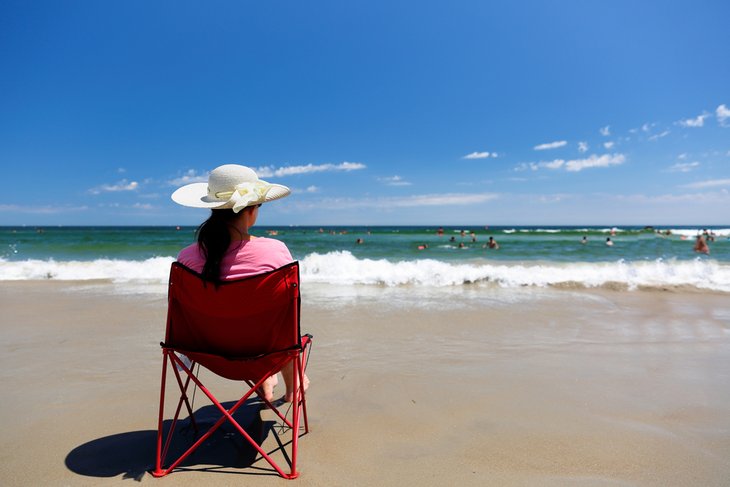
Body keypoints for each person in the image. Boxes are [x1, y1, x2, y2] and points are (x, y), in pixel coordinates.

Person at [171, 164, 309, 403]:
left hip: (209, 353)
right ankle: (292, 386)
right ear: (252, 210)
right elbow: (289, 313)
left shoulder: (186, 259)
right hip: (266, 353)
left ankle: (264, 381)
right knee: (284, 324)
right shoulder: (275, 251)